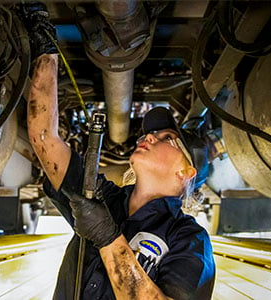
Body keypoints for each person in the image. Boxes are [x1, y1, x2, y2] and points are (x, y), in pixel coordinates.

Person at [22, 3, 215, 299]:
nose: (150, 135)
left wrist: (107, 237)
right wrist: (45, 50)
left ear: (186, 171)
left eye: (166, 137)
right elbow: (45, 139)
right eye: (151, 132)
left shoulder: (189, 238)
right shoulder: (100, 198)